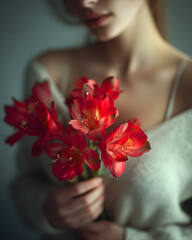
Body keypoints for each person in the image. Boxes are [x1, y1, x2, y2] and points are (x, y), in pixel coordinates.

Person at [11, 0, 192, 239]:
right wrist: (47, 208)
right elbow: (24, 182)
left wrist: (128, 238)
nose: (84, 2)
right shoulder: (46, 72)